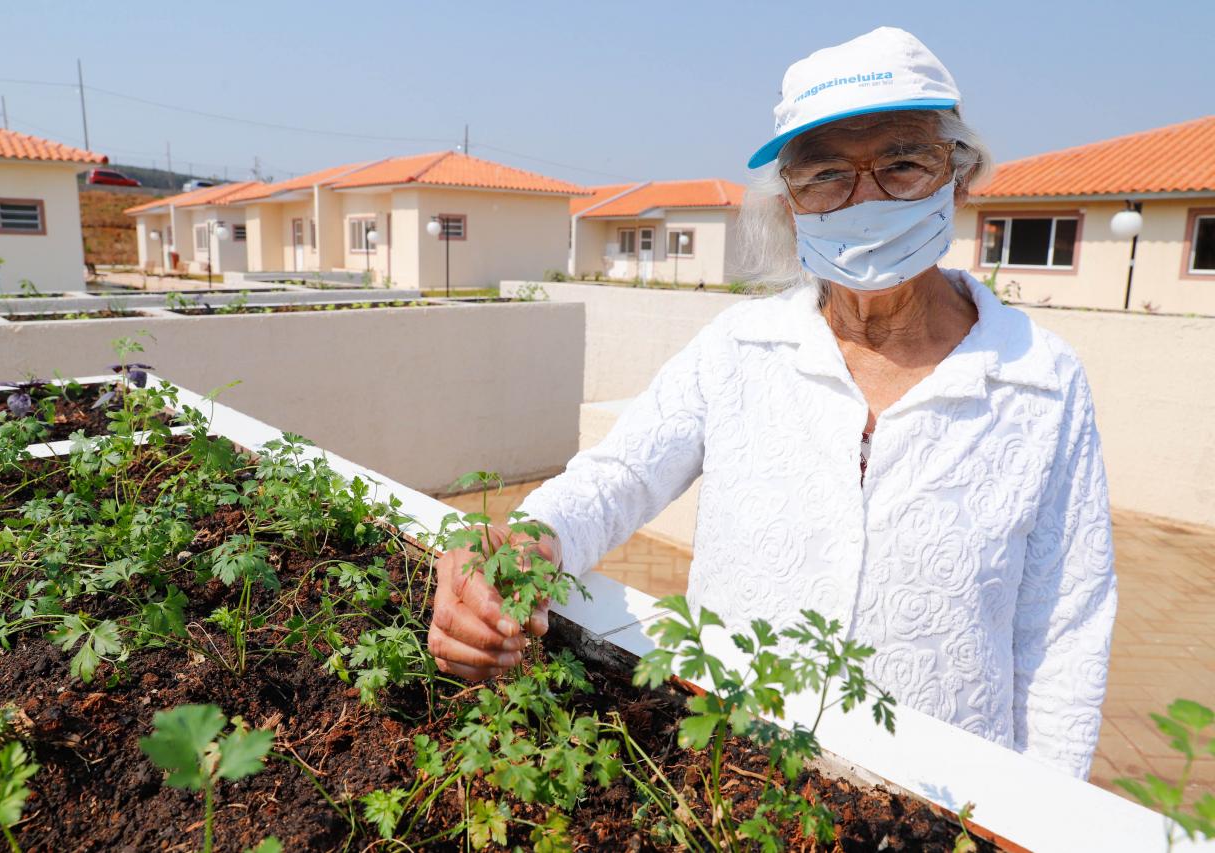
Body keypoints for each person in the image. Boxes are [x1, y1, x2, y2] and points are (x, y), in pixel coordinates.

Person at [428, 26, 1116, 781]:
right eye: (826, 175)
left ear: (959, 175)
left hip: (946, 805)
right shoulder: (739, 349)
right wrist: (527, 543)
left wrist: (1048, 815)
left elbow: (1066, 630)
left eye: (902, 164)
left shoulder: (1041, 381)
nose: (866, 197)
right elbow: (619, 474)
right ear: (790, 206)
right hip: (737, 782)